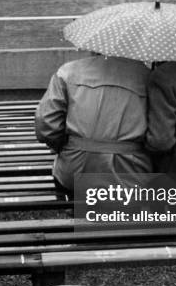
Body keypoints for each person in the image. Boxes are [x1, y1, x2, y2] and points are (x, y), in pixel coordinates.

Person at [35, 54, 152, 196]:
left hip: (74, 173)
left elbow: (46, 126)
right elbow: (160, 138)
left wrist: (65, 147)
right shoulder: (149, 78)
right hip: (131, 176)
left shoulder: (68, 72)